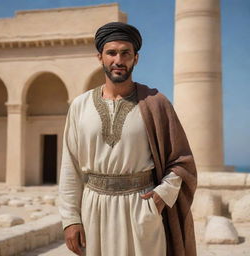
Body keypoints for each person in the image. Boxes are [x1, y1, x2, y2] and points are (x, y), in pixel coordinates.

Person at [59, 22, 197, 256]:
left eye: (126, 53)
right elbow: (70, 166)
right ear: (100, 57)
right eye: (111, 53)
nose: (118, 60)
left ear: (136, 59)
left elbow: (182, 161)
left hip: (141, 208)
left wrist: (161, 196)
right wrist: (71, 218)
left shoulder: (156, 103)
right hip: (94, 210)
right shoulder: (80, 106)